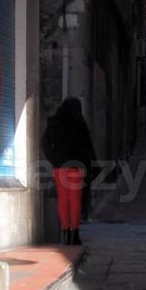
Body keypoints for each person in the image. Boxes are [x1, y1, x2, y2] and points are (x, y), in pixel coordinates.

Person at [41, 98, 96, 246]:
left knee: (63, 199)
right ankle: (75, 234)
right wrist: (92, 167)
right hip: (76, 168)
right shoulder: (79, 123)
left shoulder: (54, 122)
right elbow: (88, 148)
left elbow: (45, 143)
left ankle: (65, 233)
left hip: (59, 167)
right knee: (75, 200)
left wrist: (54, 159)